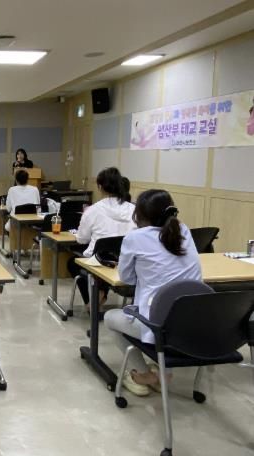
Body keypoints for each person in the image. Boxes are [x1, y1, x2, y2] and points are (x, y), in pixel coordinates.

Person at [105, 189, 201, 396]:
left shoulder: (134, 238)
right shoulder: (183, 230)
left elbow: (127, 278)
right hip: (193, 324)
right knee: (172, 306)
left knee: (110, 317)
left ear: (139, 214)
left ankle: (143, 374)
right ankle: (164, 374)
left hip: (159, 326)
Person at [67, 167, 136, 307]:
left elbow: (81, 239)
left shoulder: (93, 210)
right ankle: (101, 292)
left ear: (100, 187)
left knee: (72, 263)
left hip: (98, 262)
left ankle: (92, 300)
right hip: (127, 261)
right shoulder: (134, 209)